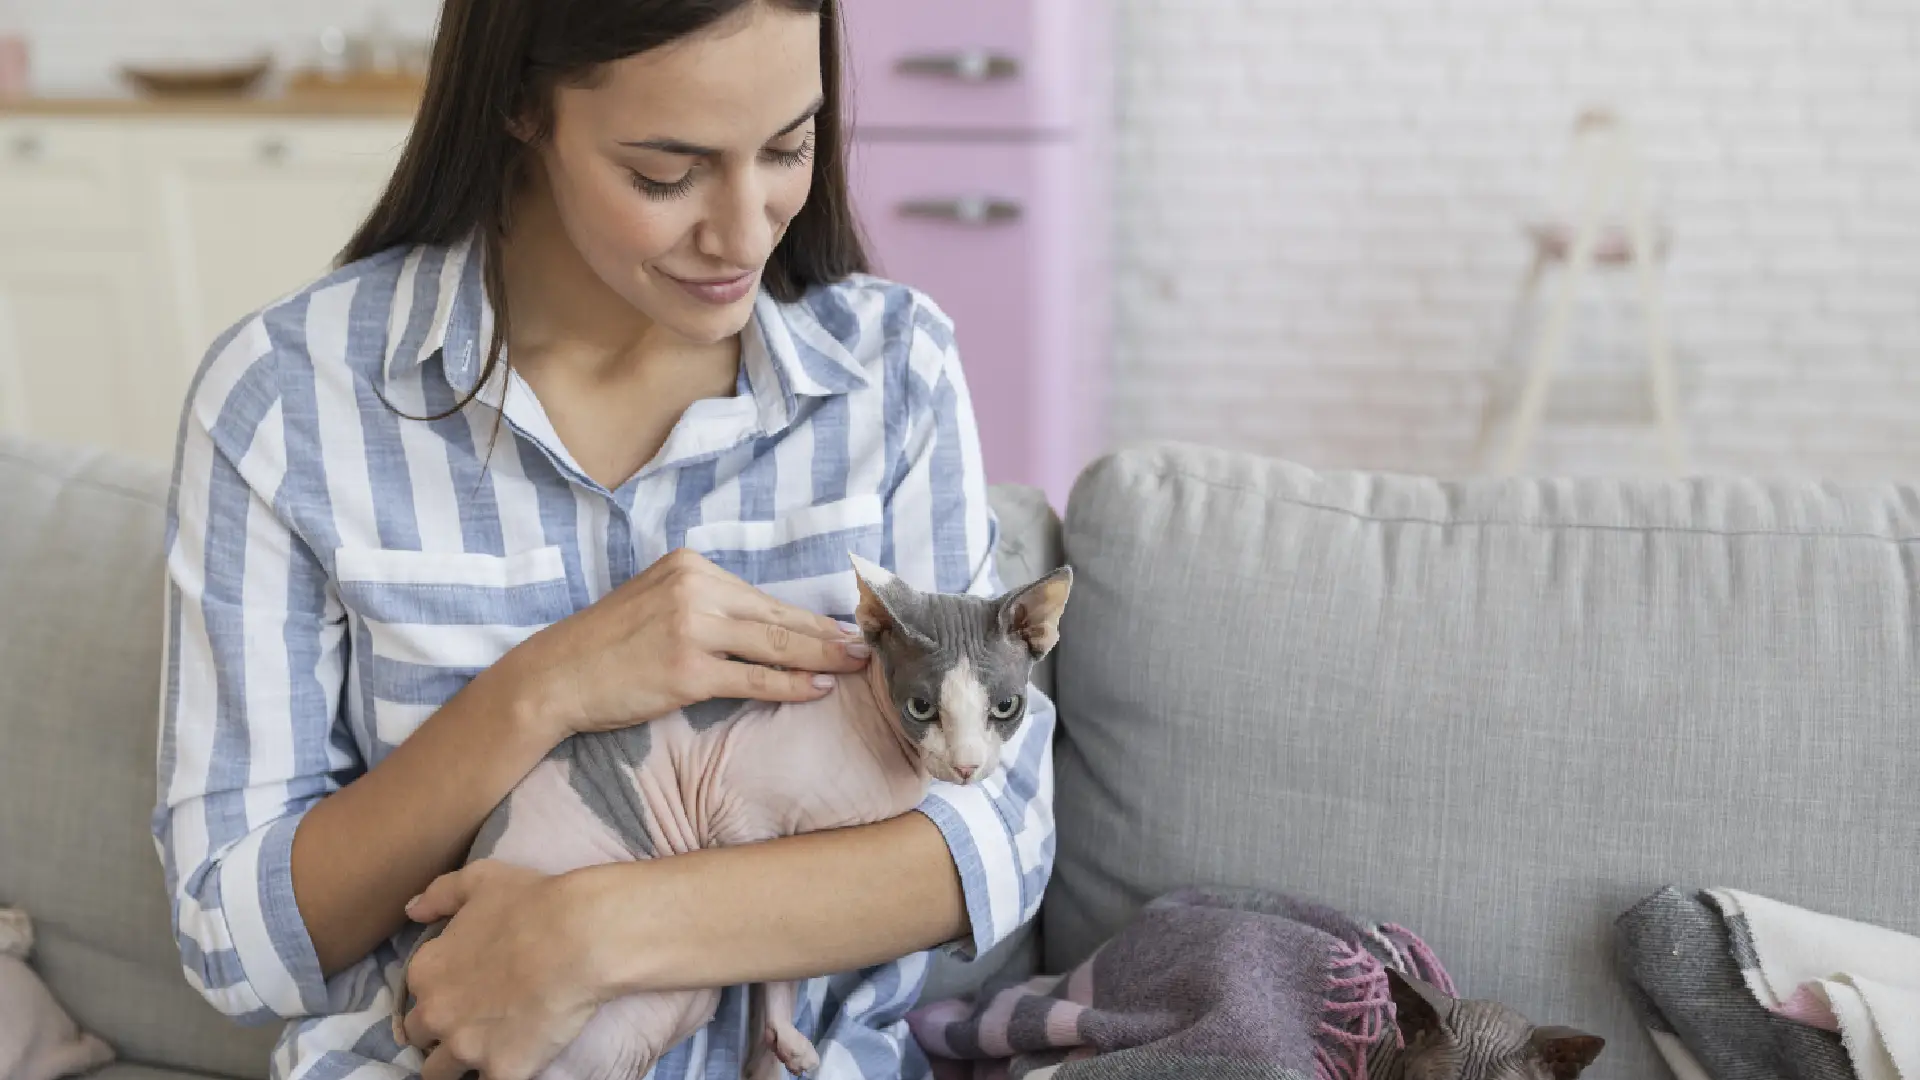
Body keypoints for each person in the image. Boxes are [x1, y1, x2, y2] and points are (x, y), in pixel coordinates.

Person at [151, 2, 1056, 1079]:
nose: (745, 230)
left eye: (788, 148)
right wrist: (543, 691)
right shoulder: (287, 404)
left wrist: (593, 933)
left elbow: (993, 838)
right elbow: (235, 941)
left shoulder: (891, 373)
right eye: (665, 173)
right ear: (521, 106)